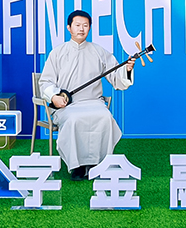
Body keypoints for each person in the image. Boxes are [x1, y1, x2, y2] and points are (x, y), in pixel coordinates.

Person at [38, 10, 135, 181]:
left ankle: (100, 164)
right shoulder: (57, 52)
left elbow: (116, 77)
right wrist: (54, 97)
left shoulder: (99, 51)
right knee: (74, 119)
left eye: (85, 25)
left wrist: (126, 69)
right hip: (68, 105)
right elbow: (45, 81)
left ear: (90, 28)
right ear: (69, 28)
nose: (81, 29)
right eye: (77, 25)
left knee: (105, 117)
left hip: (93, 102)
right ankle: (76, 166)